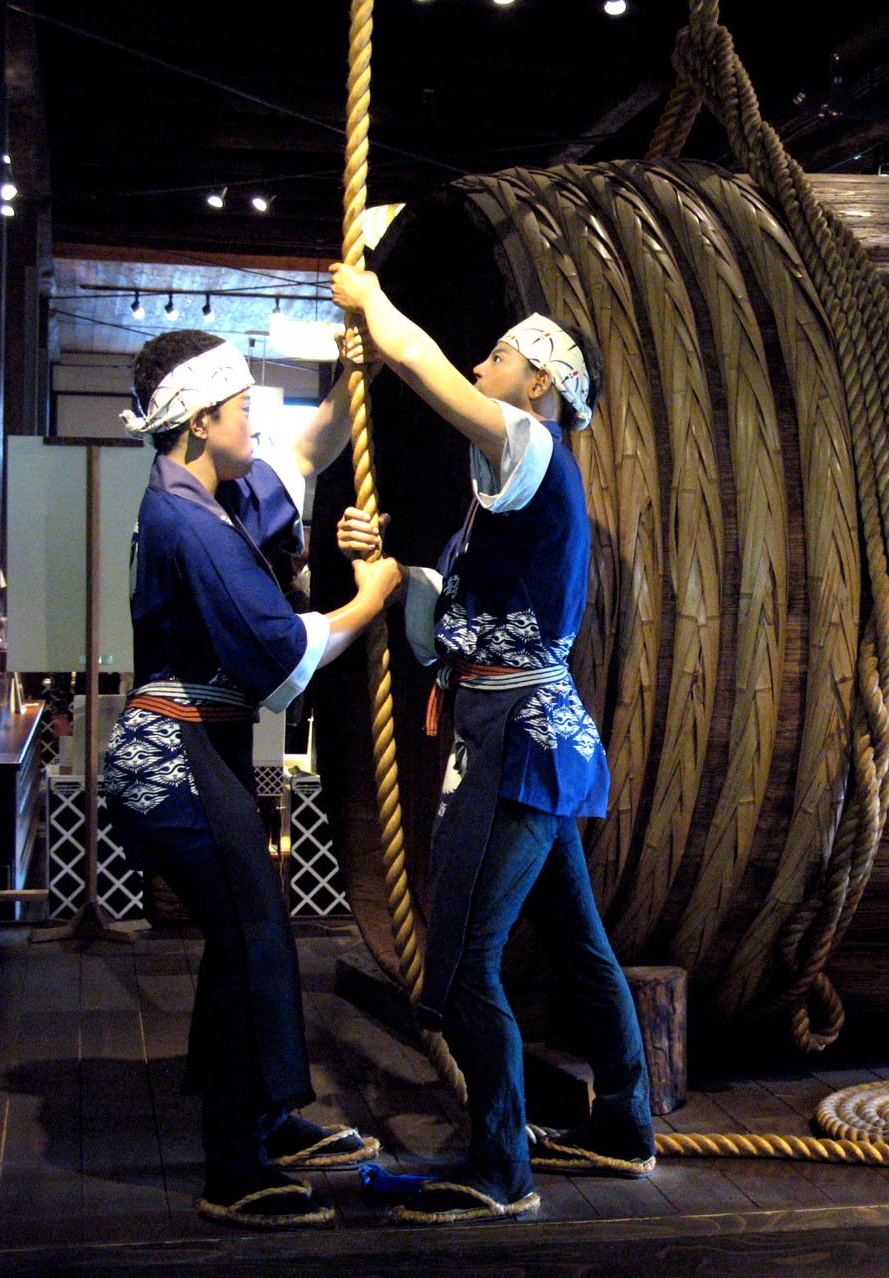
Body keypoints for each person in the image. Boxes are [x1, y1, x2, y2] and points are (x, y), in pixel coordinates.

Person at [330, 263, 654, 1227]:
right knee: (580, 944)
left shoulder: (532, 445)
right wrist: (391, 573)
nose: (482, 364)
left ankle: (502, 1166)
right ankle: (625, 1123)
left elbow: (423, 365)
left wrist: (374, 303)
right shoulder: (509, 486)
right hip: (528, 740)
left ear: (540, 382)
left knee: (469, 959)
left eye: (501, 355)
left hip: (517, 745)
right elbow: (454, 628)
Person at [100, 329, 402, 1229]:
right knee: (249, 934)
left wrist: (357, 373)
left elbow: (305, 454)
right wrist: (370, 598)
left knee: (254, 933)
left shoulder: (206, 495)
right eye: (241, 411)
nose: (255, 425)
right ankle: (234, 1166)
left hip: (201, 752)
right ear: (199, 421)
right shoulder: (189, 522)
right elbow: (281, 654)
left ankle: (264, 1118)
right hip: (175, 757)